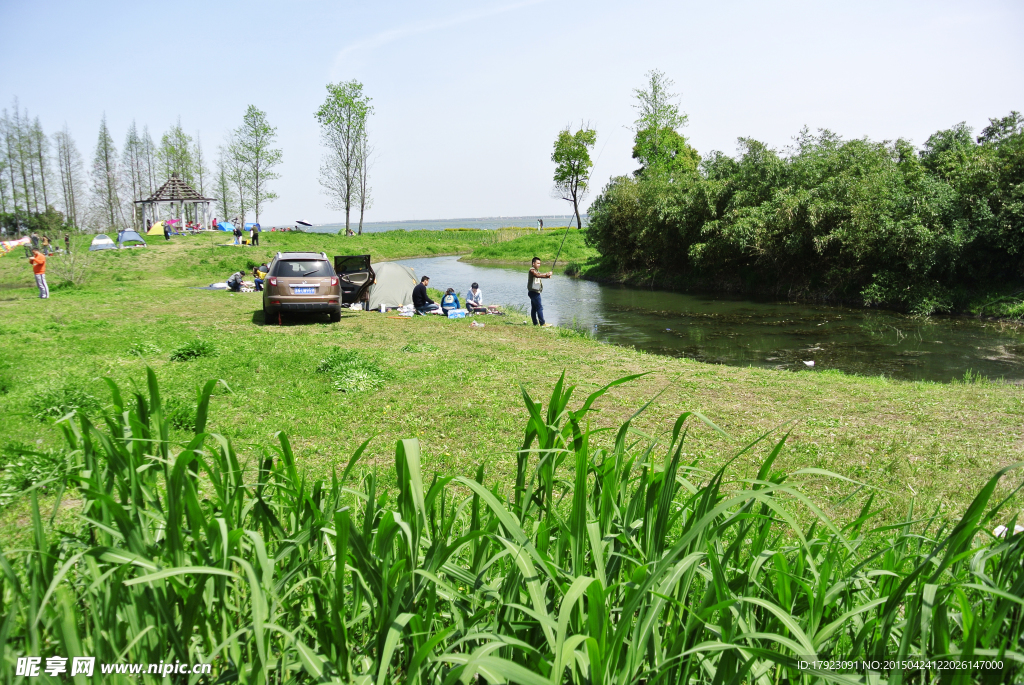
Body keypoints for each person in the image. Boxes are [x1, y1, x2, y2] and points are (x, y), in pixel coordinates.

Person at [527, 256, 552, 326]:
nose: (539, 265)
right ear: (533, 263)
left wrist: (547, 275)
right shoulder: (532, 270)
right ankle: (542, 323)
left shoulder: (536, 270)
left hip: (534, 292)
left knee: (534, 308)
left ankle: (535, 323)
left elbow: (540, 275)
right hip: (534, 292)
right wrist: (547, 275)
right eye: (537, 263)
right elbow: (537, 275)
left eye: (540, 263)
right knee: (539, 307)